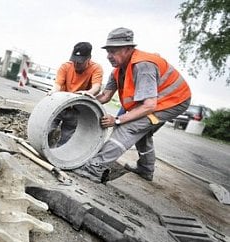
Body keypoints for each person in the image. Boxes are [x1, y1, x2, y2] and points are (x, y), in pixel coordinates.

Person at [73, 27, 191, 183]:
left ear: (128, 49)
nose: (109, 56)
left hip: (173, 101)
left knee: (128, 127)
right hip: (157, 101)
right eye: (108, 51)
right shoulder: (117, 71)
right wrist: (85, 98)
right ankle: (146, 169)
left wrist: (117, 120)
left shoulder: (143, 66)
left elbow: (149, 106)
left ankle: (94, 168)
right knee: (143, 130)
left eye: (113, 51)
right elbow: (106, 96)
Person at [47, 42, 104, 147]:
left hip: (77, 109)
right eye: (75, 61)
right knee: (47, 130)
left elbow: (96, 87)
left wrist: (88, 93)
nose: (76, 64)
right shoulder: (66, 66)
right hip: (60, 105)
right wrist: (53, 91)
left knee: (65, 139)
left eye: (80, 62)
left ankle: (58, 155)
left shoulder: (96, 68)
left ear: (89, 58)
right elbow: (58, 84)